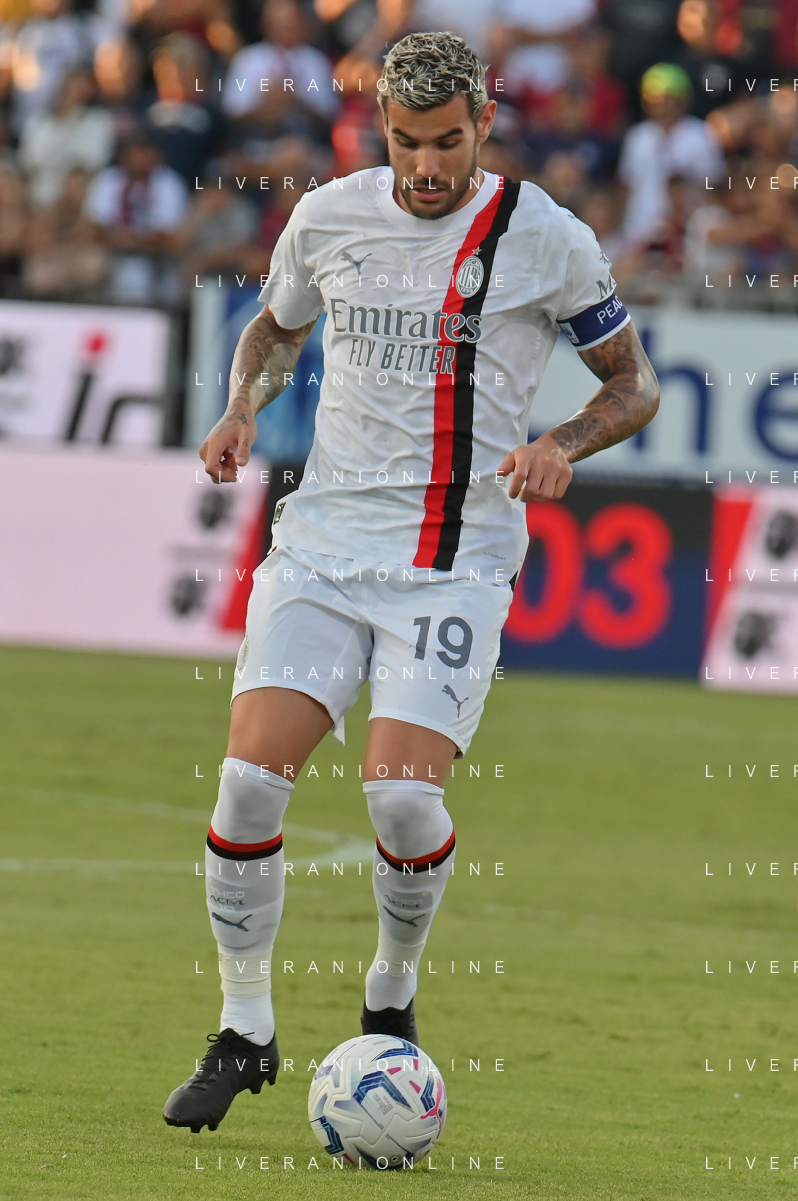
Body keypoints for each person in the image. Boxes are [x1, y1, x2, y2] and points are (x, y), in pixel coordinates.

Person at [162, 30, 660, 1135]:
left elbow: (634, 385)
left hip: (453, 562)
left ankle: (390, 993)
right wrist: (242, 406)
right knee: (246, 786)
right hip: (322, 548)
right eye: (404, 142)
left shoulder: (545, 237)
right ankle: (245, 1028)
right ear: (377, 128)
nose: (425, 166)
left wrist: (563, 443)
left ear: (484, 125)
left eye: (445, 143)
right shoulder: (329, 215)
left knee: (400, 799)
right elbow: (275, 329)